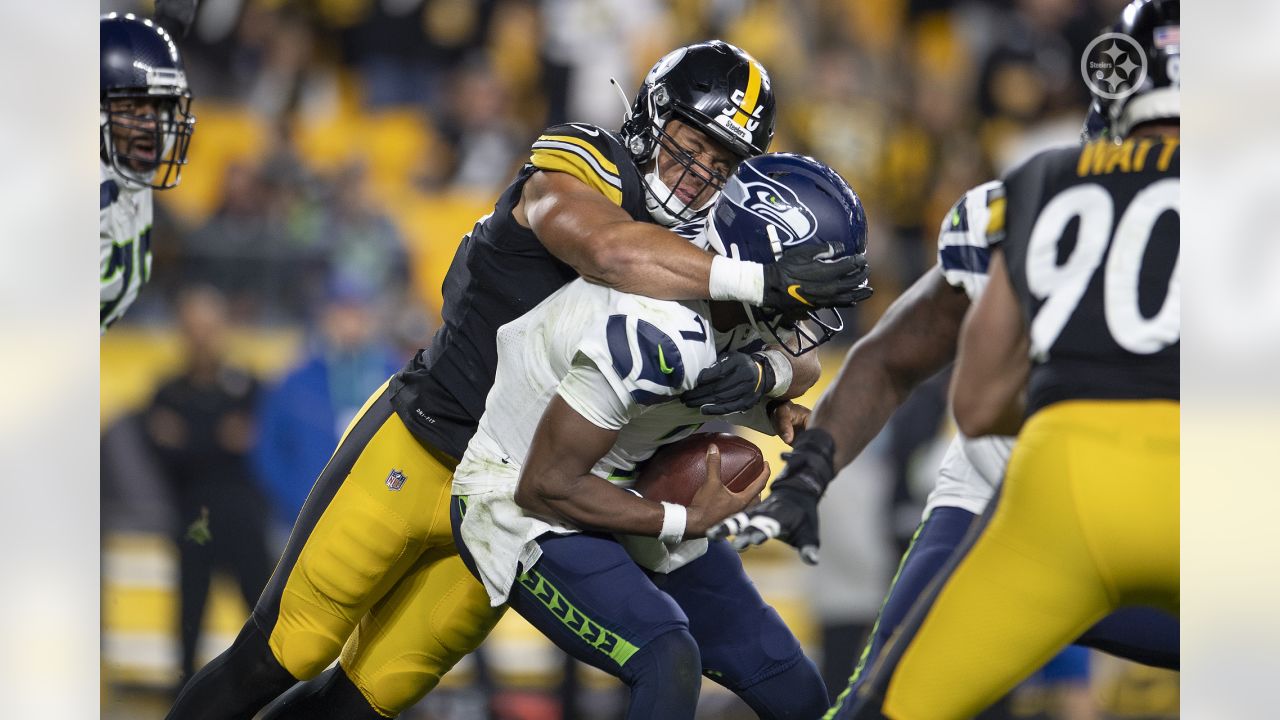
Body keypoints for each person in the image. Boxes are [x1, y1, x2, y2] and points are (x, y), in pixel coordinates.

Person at [167, 40, 871, 720]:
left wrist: (765, 370)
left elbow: (792, 350)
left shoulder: (708, 250)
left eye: (721, 162)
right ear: (653, 115)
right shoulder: (590, 162)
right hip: (425, 445)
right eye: (689, 143)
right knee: (285, 651)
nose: (697, 172)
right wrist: (761, 278)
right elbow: (606, 249)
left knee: (367, 698)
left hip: (513, 501)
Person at [708, 9, 1178, 718]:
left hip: (1031, 513)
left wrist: (806, 477)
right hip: (1175, 510)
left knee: (880, 708)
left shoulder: (1028, 192)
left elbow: (916, 370)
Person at [451, 153, 869, 720]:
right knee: (666, 658)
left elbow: (798, 366)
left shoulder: (728, 297)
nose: (812, 309)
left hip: (629, 475)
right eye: (804, 289)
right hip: (524, 501)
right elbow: (544, 486)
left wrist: (765, 390)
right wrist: (683, 521)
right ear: (757, 261)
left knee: (790, 683)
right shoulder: (658, 328)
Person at [145, 286, 273, 688]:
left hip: (242, 518)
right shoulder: (167, 390)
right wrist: (220, 437)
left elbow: (255, 443)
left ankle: (275, 696)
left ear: (224, 330)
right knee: (189, 616)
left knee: (264, 617)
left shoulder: (250, 386)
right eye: (193, 328)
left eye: (209, 327)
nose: (201, 336)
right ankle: (183, 700)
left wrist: (191, 438)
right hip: (194, 519)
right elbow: (165, 451)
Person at [100, 13, 195, 334]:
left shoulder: (124, 169)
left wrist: (157, 41)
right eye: (131, 108)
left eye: (159, 107)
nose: (151, 125)